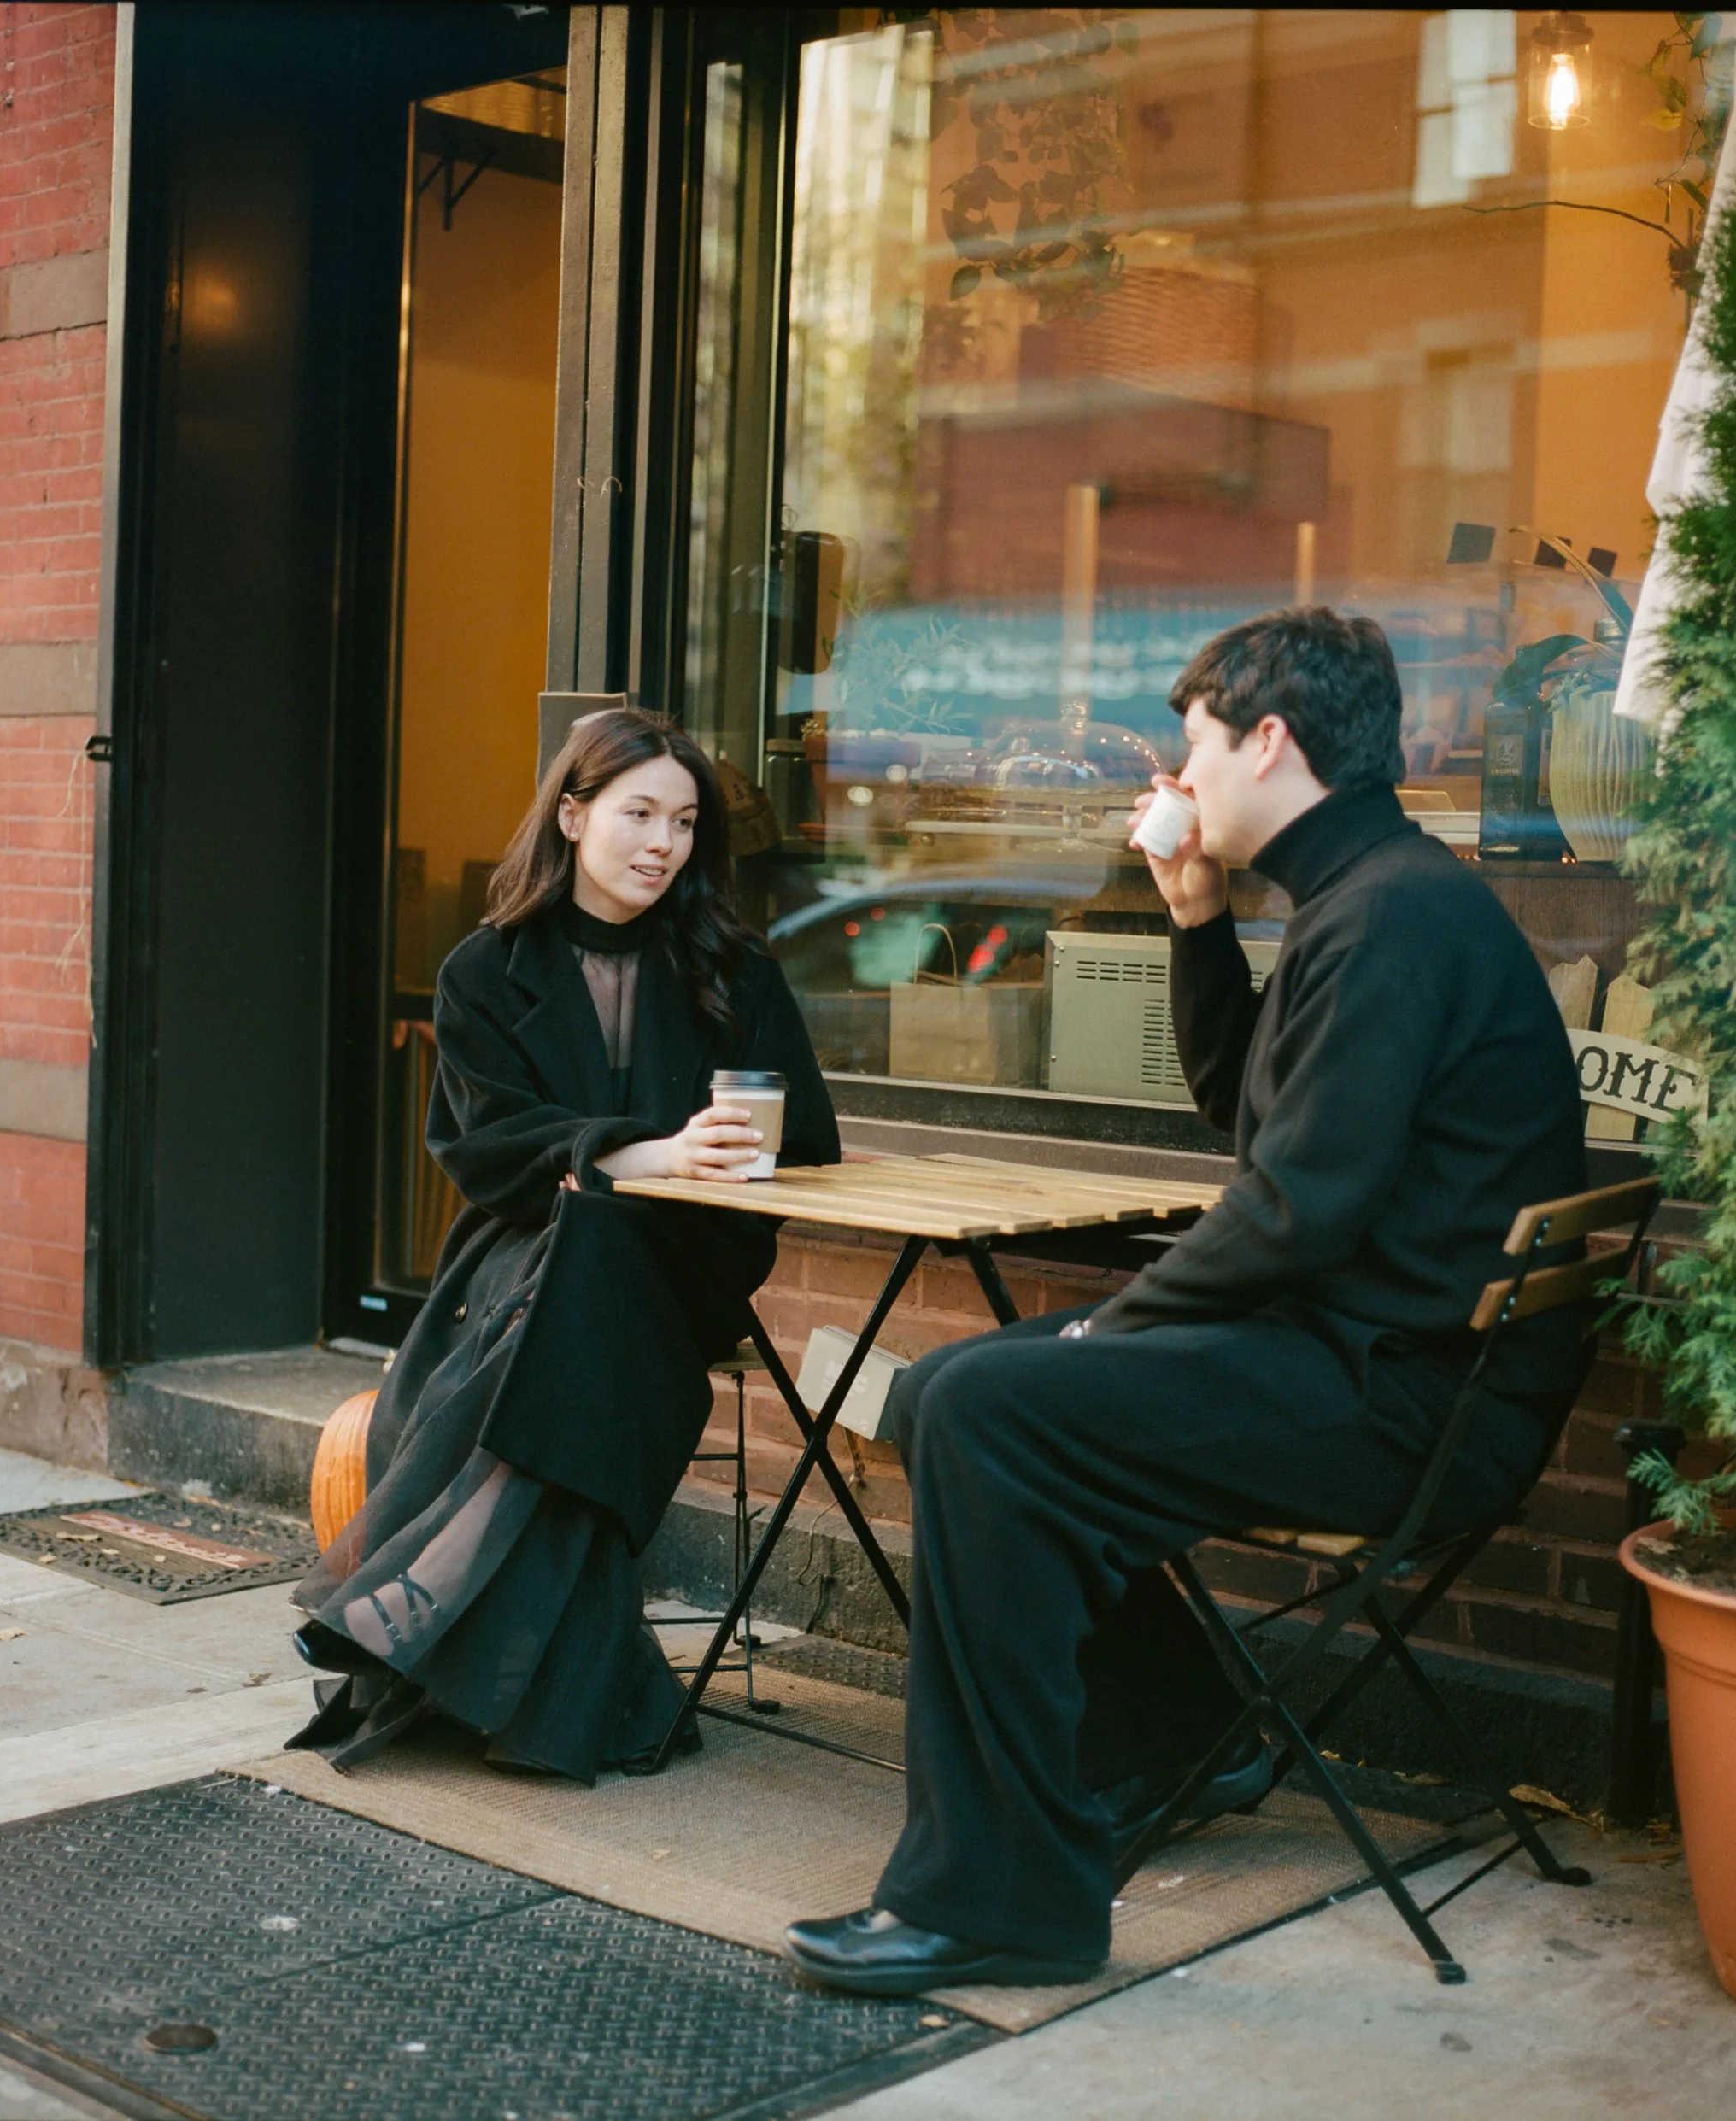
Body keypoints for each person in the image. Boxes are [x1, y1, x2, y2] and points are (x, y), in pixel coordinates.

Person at [785, 609, 1587, 1994]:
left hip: (1400, 1401)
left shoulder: (1388, 918)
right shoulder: (1370, 895)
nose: (1180, 776)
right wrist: (1196, 920)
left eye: (1195, 745)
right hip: (1373, 1358)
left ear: (1271, 741)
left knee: (983, 1407)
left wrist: (1115, 1326)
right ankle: (1185, 1728)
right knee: (946, 1394)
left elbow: (1295, 1211)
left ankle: (1004, 1897)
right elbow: (1257, 1125)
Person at [289, 707, 837, 1780]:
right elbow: (487, 1149)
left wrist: (726, 1148)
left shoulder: (735, 966)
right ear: (574, 813)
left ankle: (412, 1592)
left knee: (602, 1251)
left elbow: (807, 1135)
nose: (662, 843)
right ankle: (560, 1688)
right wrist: (643, 1154)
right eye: (639, 812)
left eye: (683, 822)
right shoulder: (485, 971)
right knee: (584, 1244)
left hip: (683, 1266)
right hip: (519, 1254)